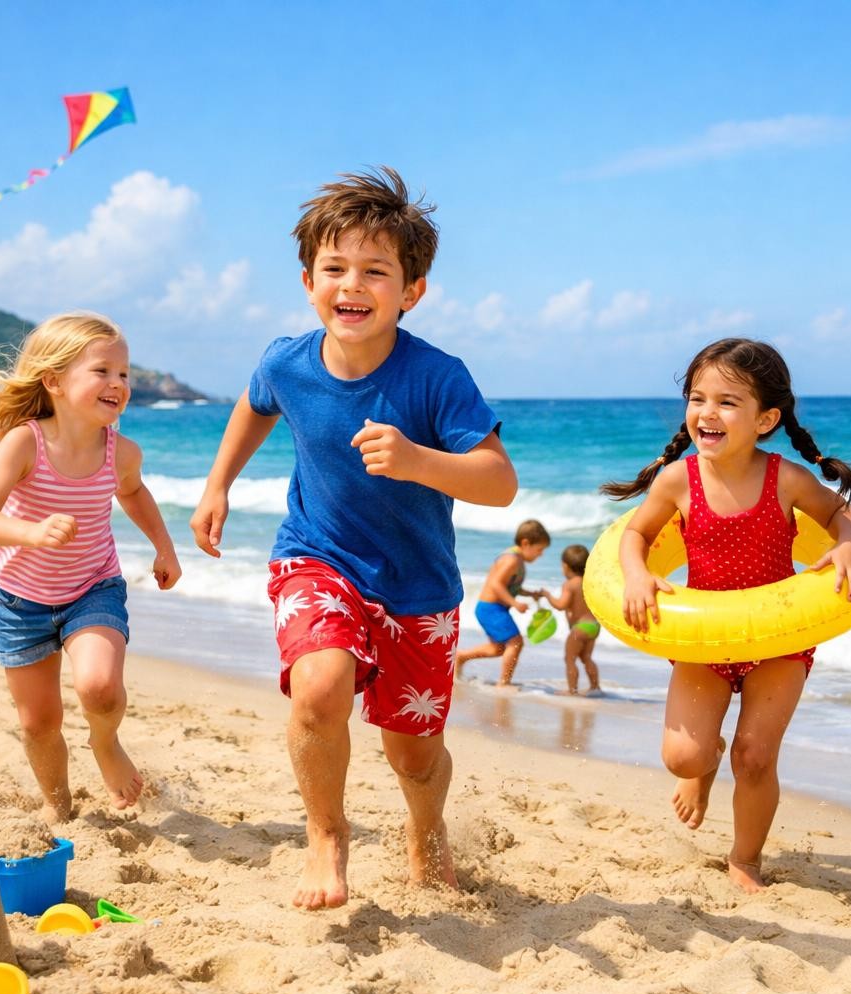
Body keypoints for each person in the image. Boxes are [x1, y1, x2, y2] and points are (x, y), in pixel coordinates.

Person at [189, 167, 517, 910]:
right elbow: (256, 402)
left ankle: (426, 835)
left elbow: (499, 482)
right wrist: (218, 485)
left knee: (414, 754)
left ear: (412, 290)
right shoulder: (288, 360)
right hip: (316, 555)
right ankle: (327, 836)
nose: (353, 284)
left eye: (377, 270)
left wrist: (417, 460)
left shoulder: (437, 377)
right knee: (319, 686)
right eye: (336, 268)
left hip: (418, 588)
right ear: (309, 281)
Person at [602, 338, 851, 894]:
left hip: (779, 641)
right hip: (704, 642)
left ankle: (745, 859)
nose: (707, 412)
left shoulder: (785, 480)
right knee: (683, 756)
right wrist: (635, 572)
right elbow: (636, 534)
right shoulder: (679, 481)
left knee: (754, 756)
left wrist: (848, 546)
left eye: (727, 401)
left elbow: (842, 515)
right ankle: (704, 766)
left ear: (765, 418)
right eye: (697, 398)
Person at [0, 312, 181, 823]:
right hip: (20, 599)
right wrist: (31, 533)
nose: (118, 384)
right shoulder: (25, 442)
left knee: (100, 689)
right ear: (54, 381)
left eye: (124, 374)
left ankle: (105, 743)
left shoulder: (120, 452)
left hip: (92, 587)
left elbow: (133, 493)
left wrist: (164, 548)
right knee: (38, 722)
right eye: (102, 371)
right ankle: (58, 807)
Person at [454, 519, 549, 687]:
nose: (540, 554)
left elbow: (511, 586)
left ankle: (461, 656)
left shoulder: (517, 560)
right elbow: (496, 584)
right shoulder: (512, 560)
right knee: (516, 642)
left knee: (497, 648)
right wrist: (515, 603)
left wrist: (529, 594)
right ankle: (504, 683)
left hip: (492, 609)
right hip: (491, 608)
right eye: (539, 550)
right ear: (526, 543)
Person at [540, 543, 601, 695]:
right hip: (593, 626)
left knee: (569, 659)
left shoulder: (570, 584)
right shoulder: (589, 583)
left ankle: (572, 690)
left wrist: (547, 595)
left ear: (565, 566)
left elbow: (561, 605)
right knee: (586, 658)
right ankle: (595, 688)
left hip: (579, 629)